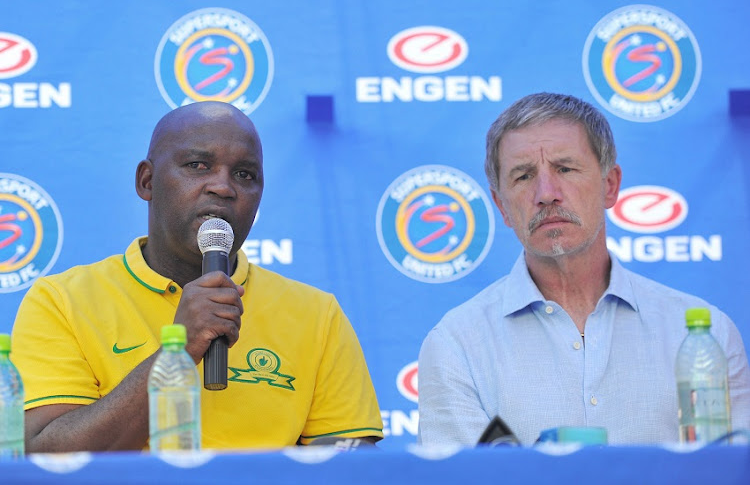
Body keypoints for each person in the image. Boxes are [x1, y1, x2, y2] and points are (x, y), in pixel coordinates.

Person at [11, 101, 383, 452]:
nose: (223, 187)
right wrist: (179, 350)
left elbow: (351, 466)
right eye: (198, 166)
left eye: (244, 174)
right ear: (147, 181)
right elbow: (47, 455)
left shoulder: (316, 314)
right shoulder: (63, 301)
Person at [417, 92, 750, 446]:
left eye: (565, 168)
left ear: (610, 185)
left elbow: (733, 473)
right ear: (501, 206)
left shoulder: (705, 335)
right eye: (524, 176)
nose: (547, 193)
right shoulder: (457, 344)